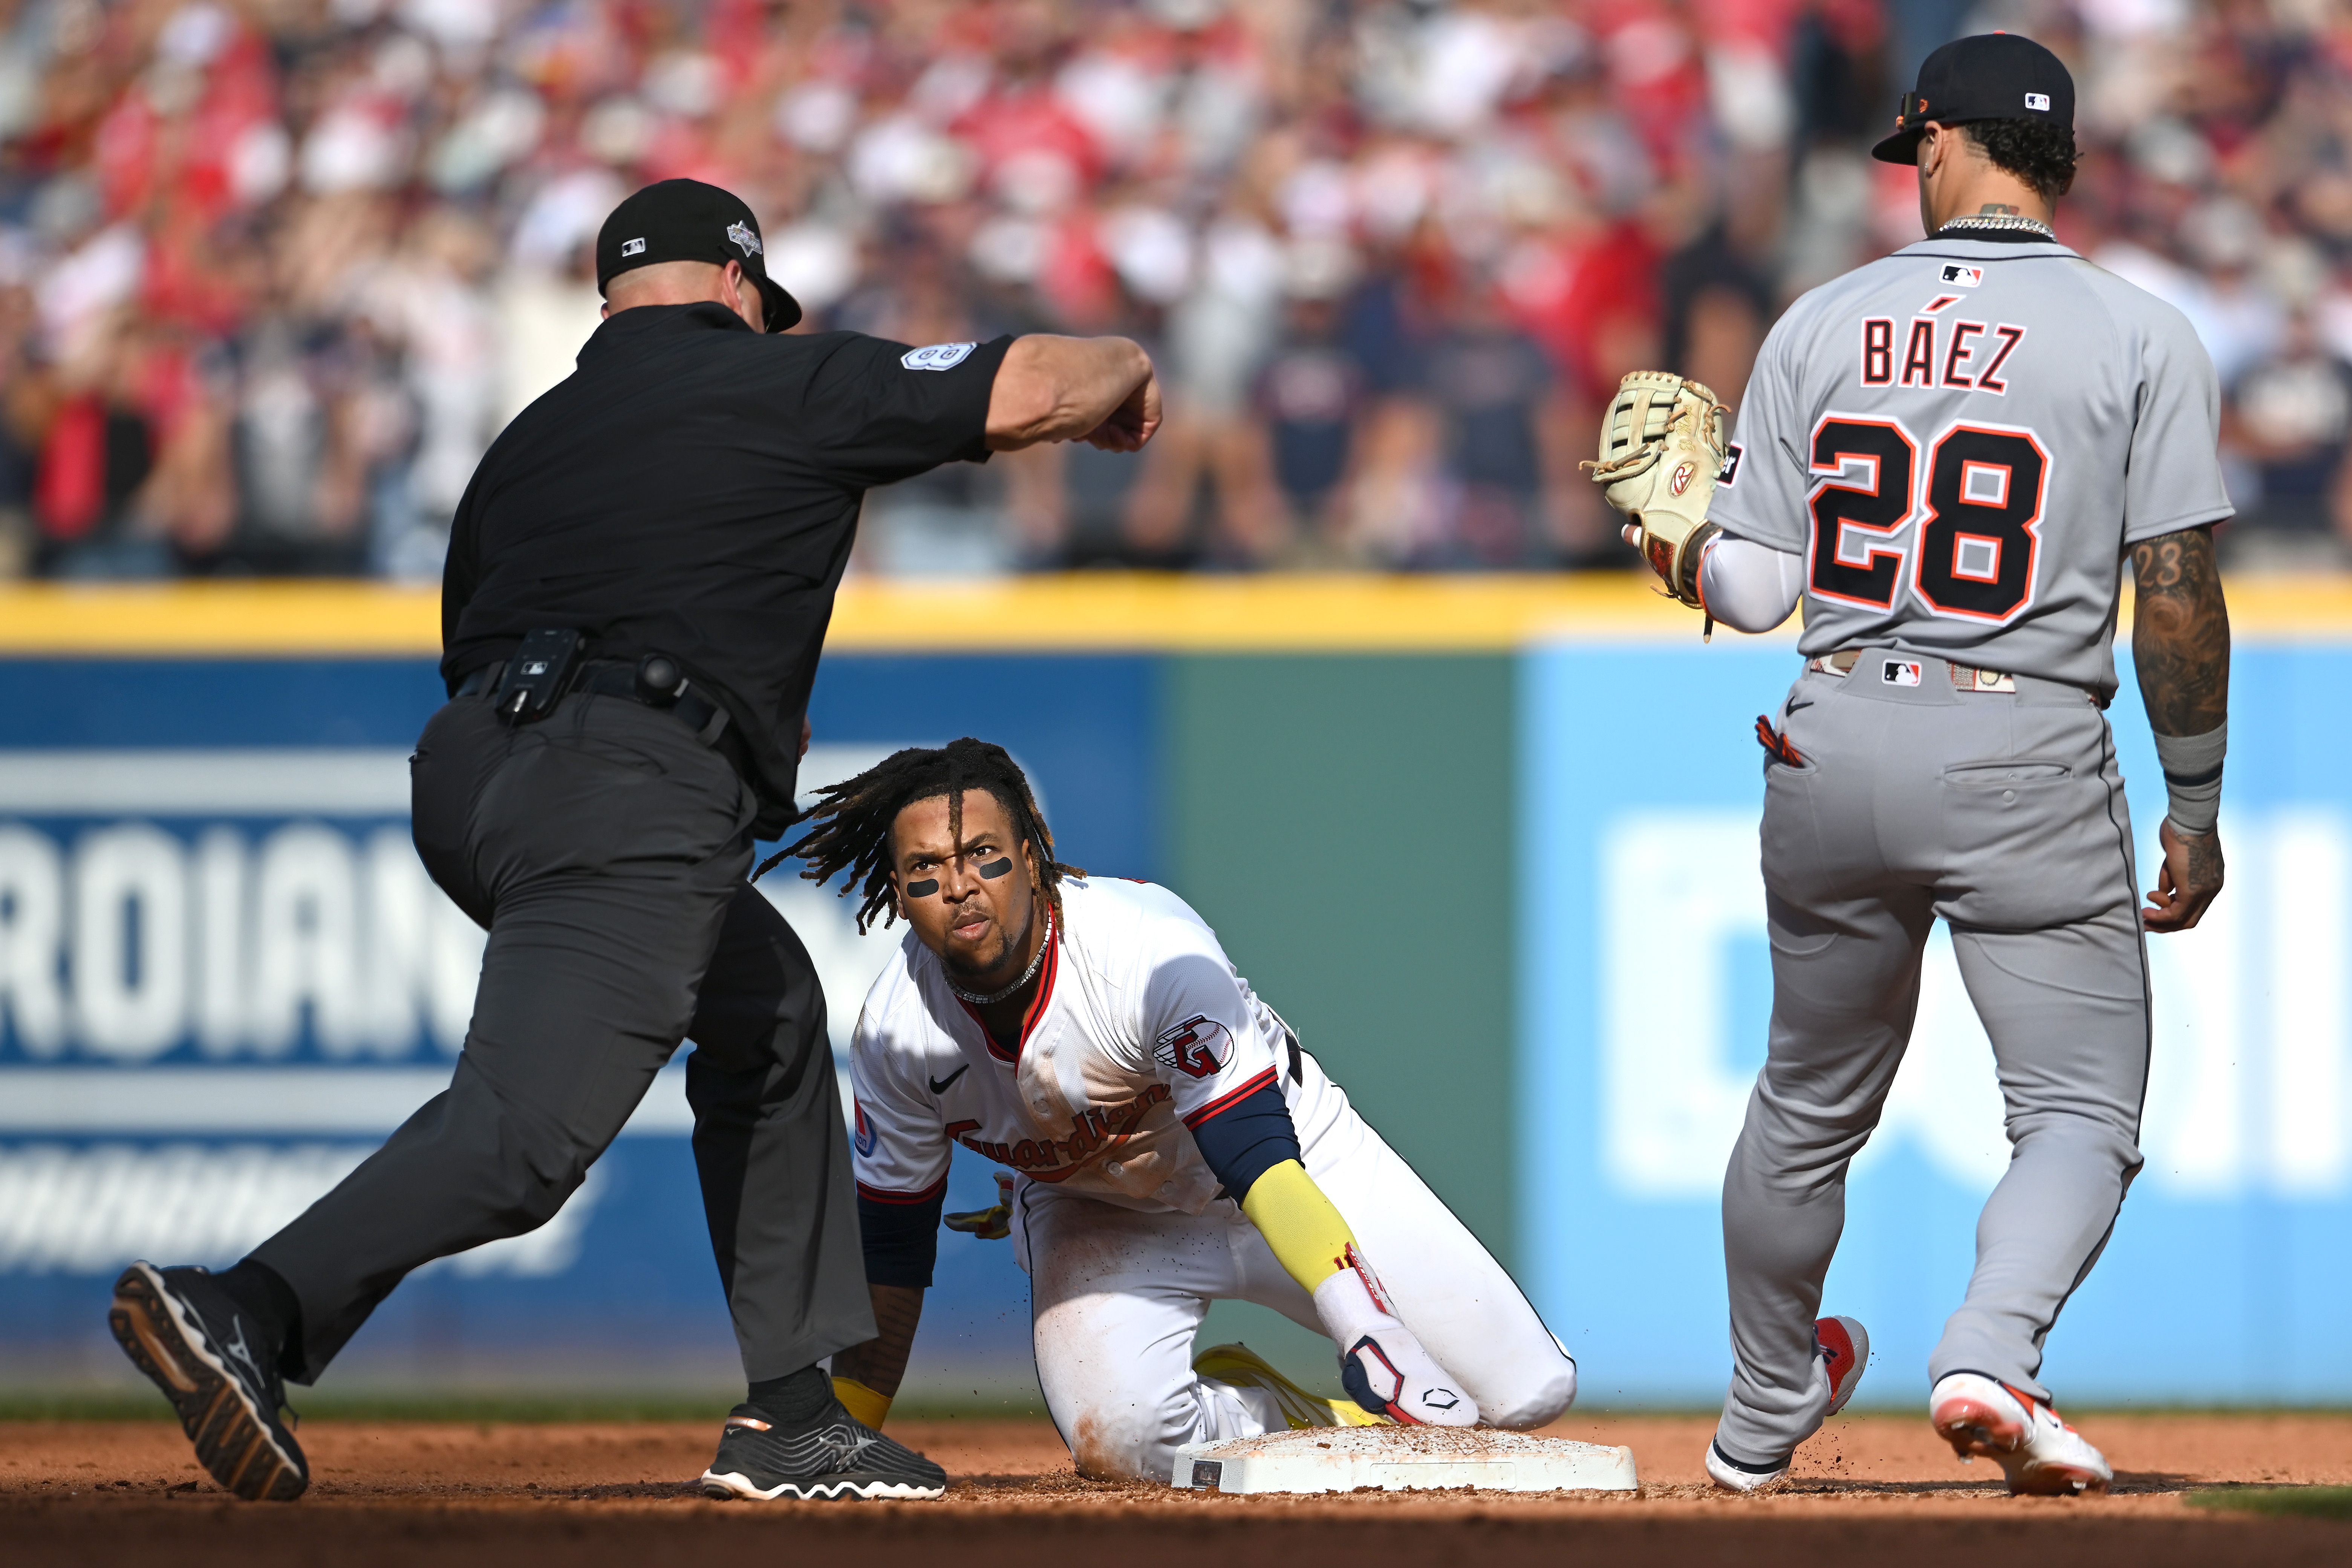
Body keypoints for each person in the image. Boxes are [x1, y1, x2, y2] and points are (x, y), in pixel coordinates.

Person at [106, 178, 1161, 1505]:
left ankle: (795, 1413)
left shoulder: (526, 441)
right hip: (635, 780)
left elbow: (471, 635)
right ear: (737, 286)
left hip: (480, 770)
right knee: (527, 1135)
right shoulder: (791, 382)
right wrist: (1125, 374)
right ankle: (247, 1307)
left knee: (768, 1016)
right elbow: (1044, 383)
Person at [1596, 35, 2232, 1496]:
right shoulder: (2142, 332)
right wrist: (2192, 801)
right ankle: (1989, 1348)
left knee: (1803, 1104)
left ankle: (1762, 1408)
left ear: (1944, 143)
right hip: (2024, 737)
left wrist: (1675, 544)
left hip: (1831, 730)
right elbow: (2179, 590)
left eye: (1917, 145)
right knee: (2077, 1111)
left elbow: (1755, 595)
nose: (1910, 167)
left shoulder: (1822, 319)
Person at [782, 739, 1578, 1483]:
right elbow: (891, 1251)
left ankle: (1376, 1350)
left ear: (1033, 853)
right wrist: (842, 1436)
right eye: (924, 868)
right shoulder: (896, 1032)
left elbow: (1256, 1155)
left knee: (1524, 1395)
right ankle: (1276, 1413)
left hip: (1294, 1170)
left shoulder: (1146, 950)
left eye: (984, 855)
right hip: (1101, 1216)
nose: (959, 885)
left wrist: (1368, 1329)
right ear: (897, 894)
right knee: (1125, 1443)